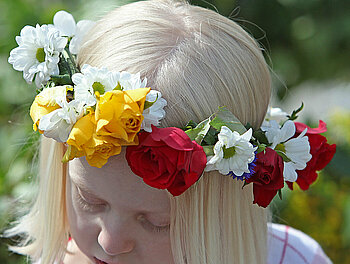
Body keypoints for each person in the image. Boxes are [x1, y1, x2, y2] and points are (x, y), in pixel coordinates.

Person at [5, 0, 335, 263]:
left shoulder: (295, 259)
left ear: (223, 206)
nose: (110, 242)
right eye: (89, 199)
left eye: (156, 222)